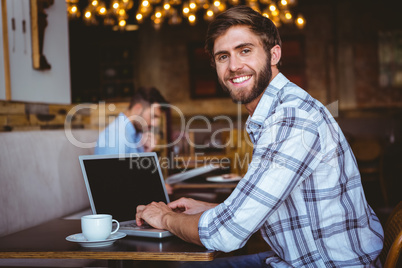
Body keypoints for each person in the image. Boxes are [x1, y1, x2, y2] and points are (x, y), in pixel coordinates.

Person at [135, 6, 384, 267]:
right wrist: (213, 210)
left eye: (245, 50)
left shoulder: (292, 118)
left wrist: (164, 218)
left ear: (274, 54)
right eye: (222, 57)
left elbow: (226, 234)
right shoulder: (276, 110)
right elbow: (270, 206)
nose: (233, 66)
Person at [94, 87, 167, 155]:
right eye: (153, 116)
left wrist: (145, 152)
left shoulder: (135, 135)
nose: (155, 124)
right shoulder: (117, 137)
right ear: (137, 109)